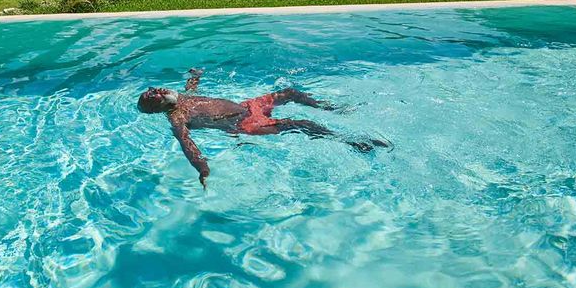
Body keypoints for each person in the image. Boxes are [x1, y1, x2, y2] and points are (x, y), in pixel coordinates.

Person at [137, 69, 388, 188]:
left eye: (154, 89)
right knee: (297, 124)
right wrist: (202, 168)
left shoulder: (183, 97)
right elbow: (186, 144)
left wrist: (195, 76)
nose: (156, 91)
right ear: (158, 108)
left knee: (289, 93)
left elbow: (192, 87)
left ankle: (332, 109)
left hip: (248, 107)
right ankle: (350, 141)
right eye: (153, 96)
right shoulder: (177, 116)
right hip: (244, 123)